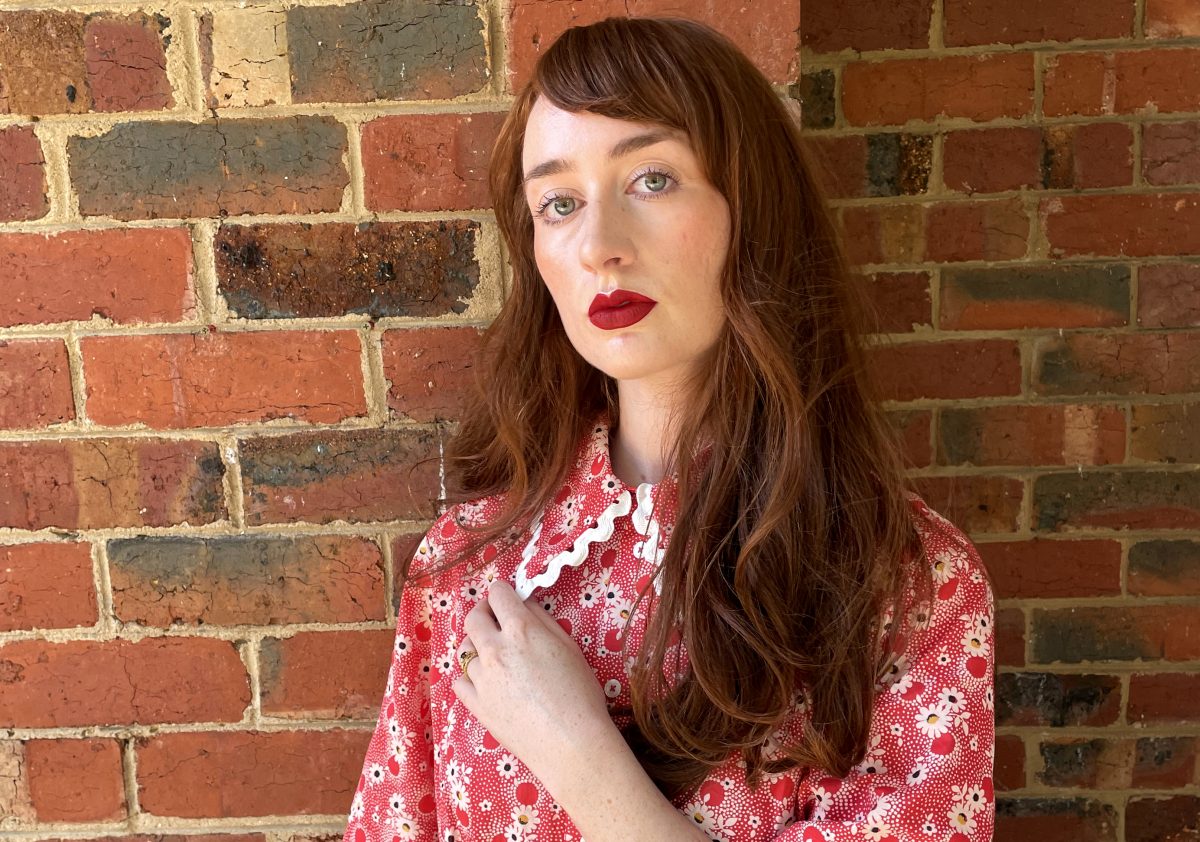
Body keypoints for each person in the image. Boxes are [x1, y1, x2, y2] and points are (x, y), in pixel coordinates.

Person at [343, 16, 995, 842]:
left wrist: (579, 756)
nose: (599, 246)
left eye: (651, 179)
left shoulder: (906, 585)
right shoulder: (467, 567)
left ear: (751, 207)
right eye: (558, 203)